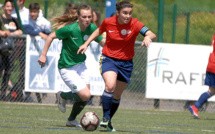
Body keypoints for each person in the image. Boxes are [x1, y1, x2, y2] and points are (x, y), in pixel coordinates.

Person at [78, 1, 156, 131]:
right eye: (125, 13)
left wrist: (148, 37)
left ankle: (108, 121)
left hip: (126, 63)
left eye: (130, 13)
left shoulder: (135, 24)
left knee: (117, 95)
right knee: (110, 86)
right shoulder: (109, 22)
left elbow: (150, 33)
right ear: (118, 13)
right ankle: (106, 118)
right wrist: (86, 43)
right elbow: (98, 31)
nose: (127, 16)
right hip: (109, 59)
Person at [38, 5, 105, 127]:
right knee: (86, 95)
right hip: (67, 67)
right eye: (84, 17)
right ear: (78, 17)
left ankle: (71, 120)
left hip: (81, 65)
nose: (87, 19)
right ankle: (62, 95)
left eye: (89, 17)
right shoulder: (70, 29)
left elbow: (102, 42)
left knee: (85, 97)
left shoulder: (92, 28)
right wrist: (43, 55)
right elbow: (51, 37)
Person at [0, 0, 23, 101]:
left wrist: (10, 33)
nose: (9, 8)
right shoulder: (1, 19)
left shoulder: (15, 20)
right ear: (4, 7)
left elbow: (20, 31)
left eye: (11, 7)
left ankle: (3, 93)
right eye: (7, 6)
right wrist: (3, 33)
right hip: (0, 49)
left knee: (8, 71)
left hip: (10, 50)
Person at [189, 33, 215, 119]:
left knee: (212, 91)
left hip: (212, 63)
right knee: (211, 90)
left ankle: (195, 107)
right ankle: (195, 107)